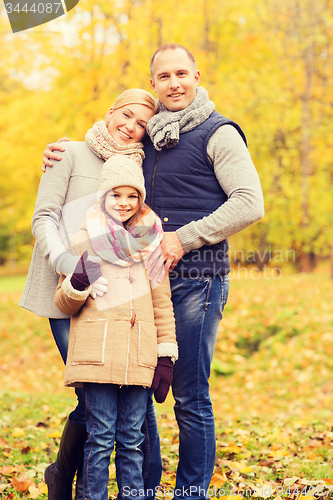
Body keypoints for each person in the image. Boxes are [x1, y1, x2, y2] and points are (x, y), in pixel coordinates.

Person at [42, 43, 264, 500]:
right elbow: (110, 145)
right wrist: (61, 150)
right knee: (132, 393)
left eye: (182, 74)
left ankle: (189, 492)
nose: (174, 83)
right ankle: (139, 488)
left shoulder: (219, 133)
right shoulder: (153, 136)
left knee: (188, 395)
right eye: (164, 77)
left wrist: (183, 238)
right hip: (136, 283)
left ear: (198, 76)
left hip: (195, 280)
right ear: (153, 84)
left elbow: (249, 202)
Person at [19, 89, 163, 500]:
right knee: (91, 389)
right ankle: (68, 480)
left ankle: (82, 482)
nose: (131, 127)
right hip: (67, 290)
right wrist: (68, 264)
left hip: (117, 300)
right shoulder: (69, 153)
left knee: (117, 396)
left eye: (141, 125)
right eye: (127, 116)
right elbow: (44, 215)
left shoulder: (139, 168)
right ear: (111, 111)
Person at [54, 155, 178, 500]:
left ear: (140, 199)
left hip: (139, 356)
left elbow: (162, 305)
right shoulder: (82, 241)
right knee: (100, 437)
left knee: (132, 439)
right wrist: (77, 282)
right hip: (98, 355)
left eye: (132, 196)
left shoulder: (152, 244)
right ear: (102, 196)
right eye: (116, 195)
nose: (124, 203)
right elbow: (64, 303)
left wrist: (165, 355)